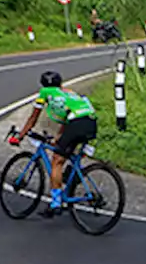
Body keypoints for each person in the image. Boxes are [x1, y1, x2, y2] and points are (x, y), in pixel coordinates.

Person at [9, 71, 98, 214]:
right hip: (91, 123)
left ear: (43, 85)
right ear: (60, 83)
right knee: (65, 150)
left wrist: (20, 136)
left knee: (56, 160)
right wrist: (59, 136)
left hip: (76, 124)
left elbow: (33, 118)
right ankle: (71, 175)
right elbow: (67, 117)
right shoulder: (69, 93)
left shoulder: (45, 92)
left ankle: (56, 203)